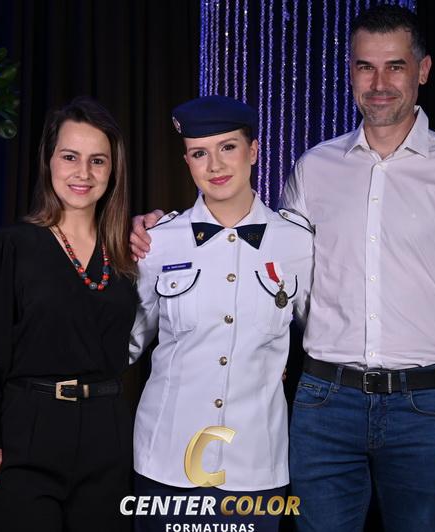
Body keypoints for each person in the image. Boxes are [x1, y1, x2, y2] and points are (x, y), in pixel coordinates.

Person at [131, 5, 435, 531]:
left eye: (395, 66)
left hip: (426, 410)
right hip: (325, 405)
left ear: (423, 70)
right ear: (350, 72)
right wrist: (158, 233)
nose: (379, 84)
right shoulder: (313, 169)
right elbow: (274, 273)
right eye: (365, 67)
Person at [128, 95, 313, 532]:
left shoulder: (297, 242)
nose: (215, 165)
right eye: (199, 153)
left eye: (228, 147)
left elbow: (323, 339)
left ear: (253, 151)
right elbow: (127, 343)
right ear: (187, 162)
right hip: (165, 460)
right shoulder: (158, 242)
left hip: (255, 466)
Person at [0, 96, 138, 531]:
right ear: (49, 161)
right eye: (70, 157)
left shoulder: (131, 253)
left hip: (108, 436)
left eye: (98, 160)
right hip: (27, 434)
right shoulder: (13, 245)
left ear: (113, 170)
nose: (83, 173)